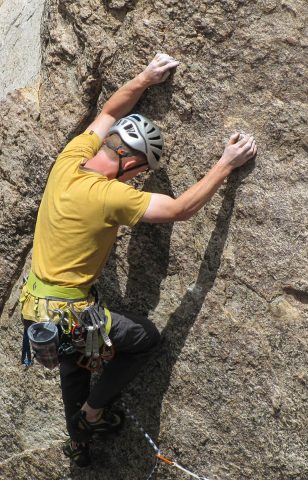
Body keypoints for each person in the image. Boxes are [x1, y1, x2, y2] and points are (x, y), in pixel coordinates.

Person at [19, 52, 257, 467]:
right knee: (144, 339)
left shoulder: (70, 158)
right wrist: (225, 164)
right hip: (70, 316)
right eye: (137, 172)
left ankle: (79, 445)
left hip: (35, 309)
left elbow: (108, 111)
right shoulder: (111, 195)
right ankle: (93, 413)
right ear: (129, 162)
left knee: (74, 368)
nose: (135, 179)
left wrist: (145, 77)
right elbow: (181, 209)